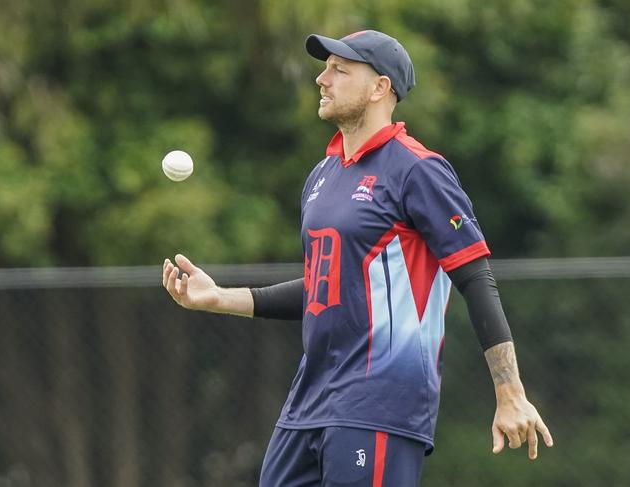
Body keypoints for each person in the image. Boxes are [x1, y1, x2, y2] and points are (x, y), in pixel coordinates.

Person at [162, 30, 553, 487]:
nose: (321, 79)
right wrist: (218, 298)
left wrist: (510, 392)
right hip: (307, 404)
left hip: (380, 405)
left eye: (339, 70)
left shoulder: (417, 170)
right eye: (325, 68)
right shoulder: (322, 176)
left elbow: (474, 277)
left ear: (380, 88)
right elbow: (326, 285)